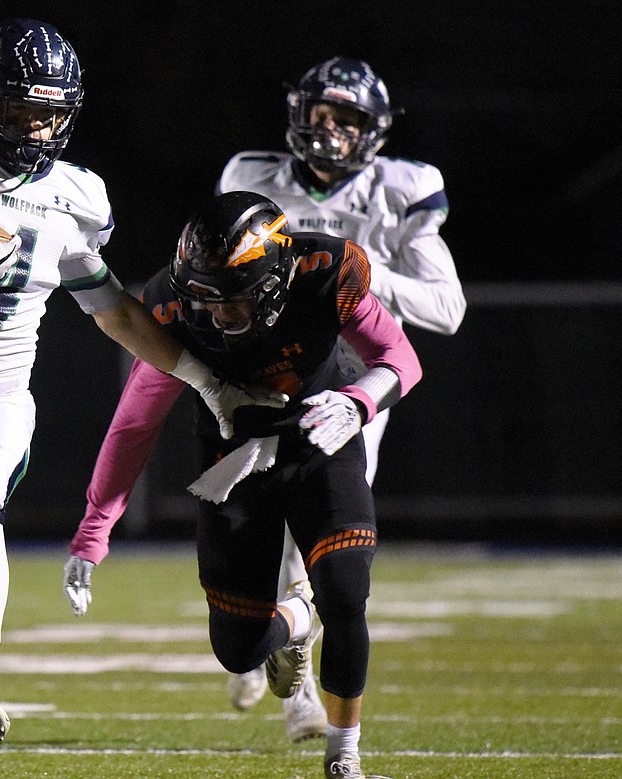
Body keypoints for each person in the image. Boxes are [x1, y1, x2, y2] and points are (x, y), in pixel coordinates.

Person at [0, 19, 277, 765]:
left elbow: (118, 311)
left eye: (48, 112)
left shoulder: (74, 196)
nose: (34, 126)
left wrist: (204, 378)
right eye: (20, 109)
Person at [63, 190, 423, 779]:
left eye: (230, 300)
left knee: (347, 589)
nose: (214, 316)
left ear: (274, 278)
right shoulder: (172, 308)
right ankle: (296, 618)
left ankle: (344, 756)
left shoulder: (327, 270)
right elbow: (136, 420)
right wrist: (94, 529)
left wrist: (358, 403)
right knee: (239, 649)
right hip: (235, 460)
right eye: (201, 299)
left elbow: (399, 355)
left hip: (319, 443)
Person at [215, 56, 467, 741]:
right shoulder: (252, 178)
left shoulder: (403, 190)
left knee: (324, 544)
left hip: (356, 386)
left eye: (346, 118)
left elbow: (446, 308)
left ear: (374, 131)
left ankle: (291, 687)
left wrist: (357, 263)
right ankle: (256, 637)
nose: (329, 129)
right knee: (251, 534)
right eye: (320, 113)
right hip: (269, 374)